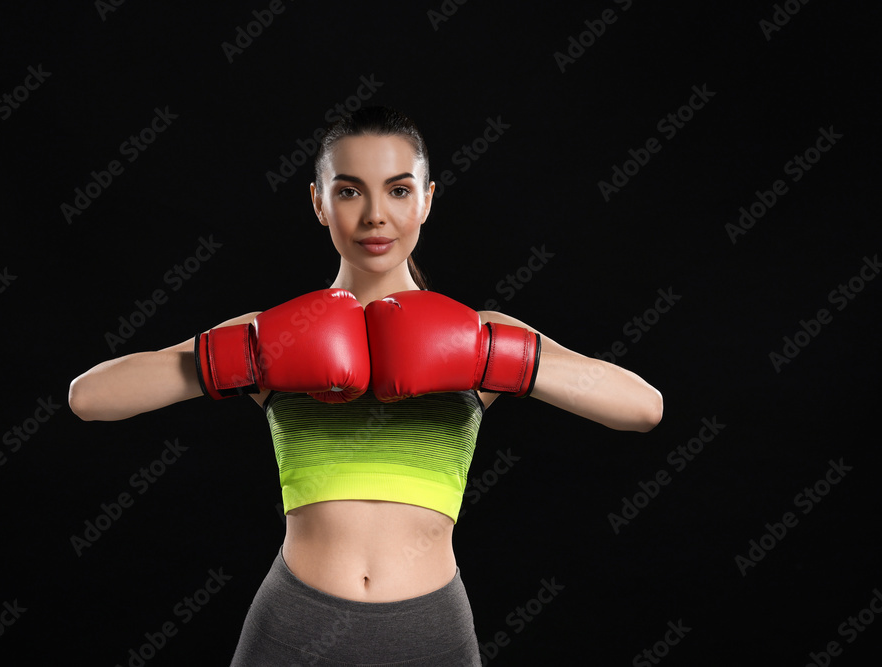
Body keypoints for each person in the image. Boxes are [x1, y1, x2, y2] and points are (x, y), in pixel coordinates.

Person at [68, 106, 663, 665]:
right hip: (294, 623)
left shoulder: (483, 334)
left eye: (399, 190)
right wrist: (247, 357)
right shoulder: (269, 334)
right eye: (349, 190)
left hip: (431, 629)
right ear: (319, 203)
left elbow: (643, 409)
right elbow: (89, 398)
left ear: (427, 201)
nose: (375, 214)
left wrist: (494, 357)